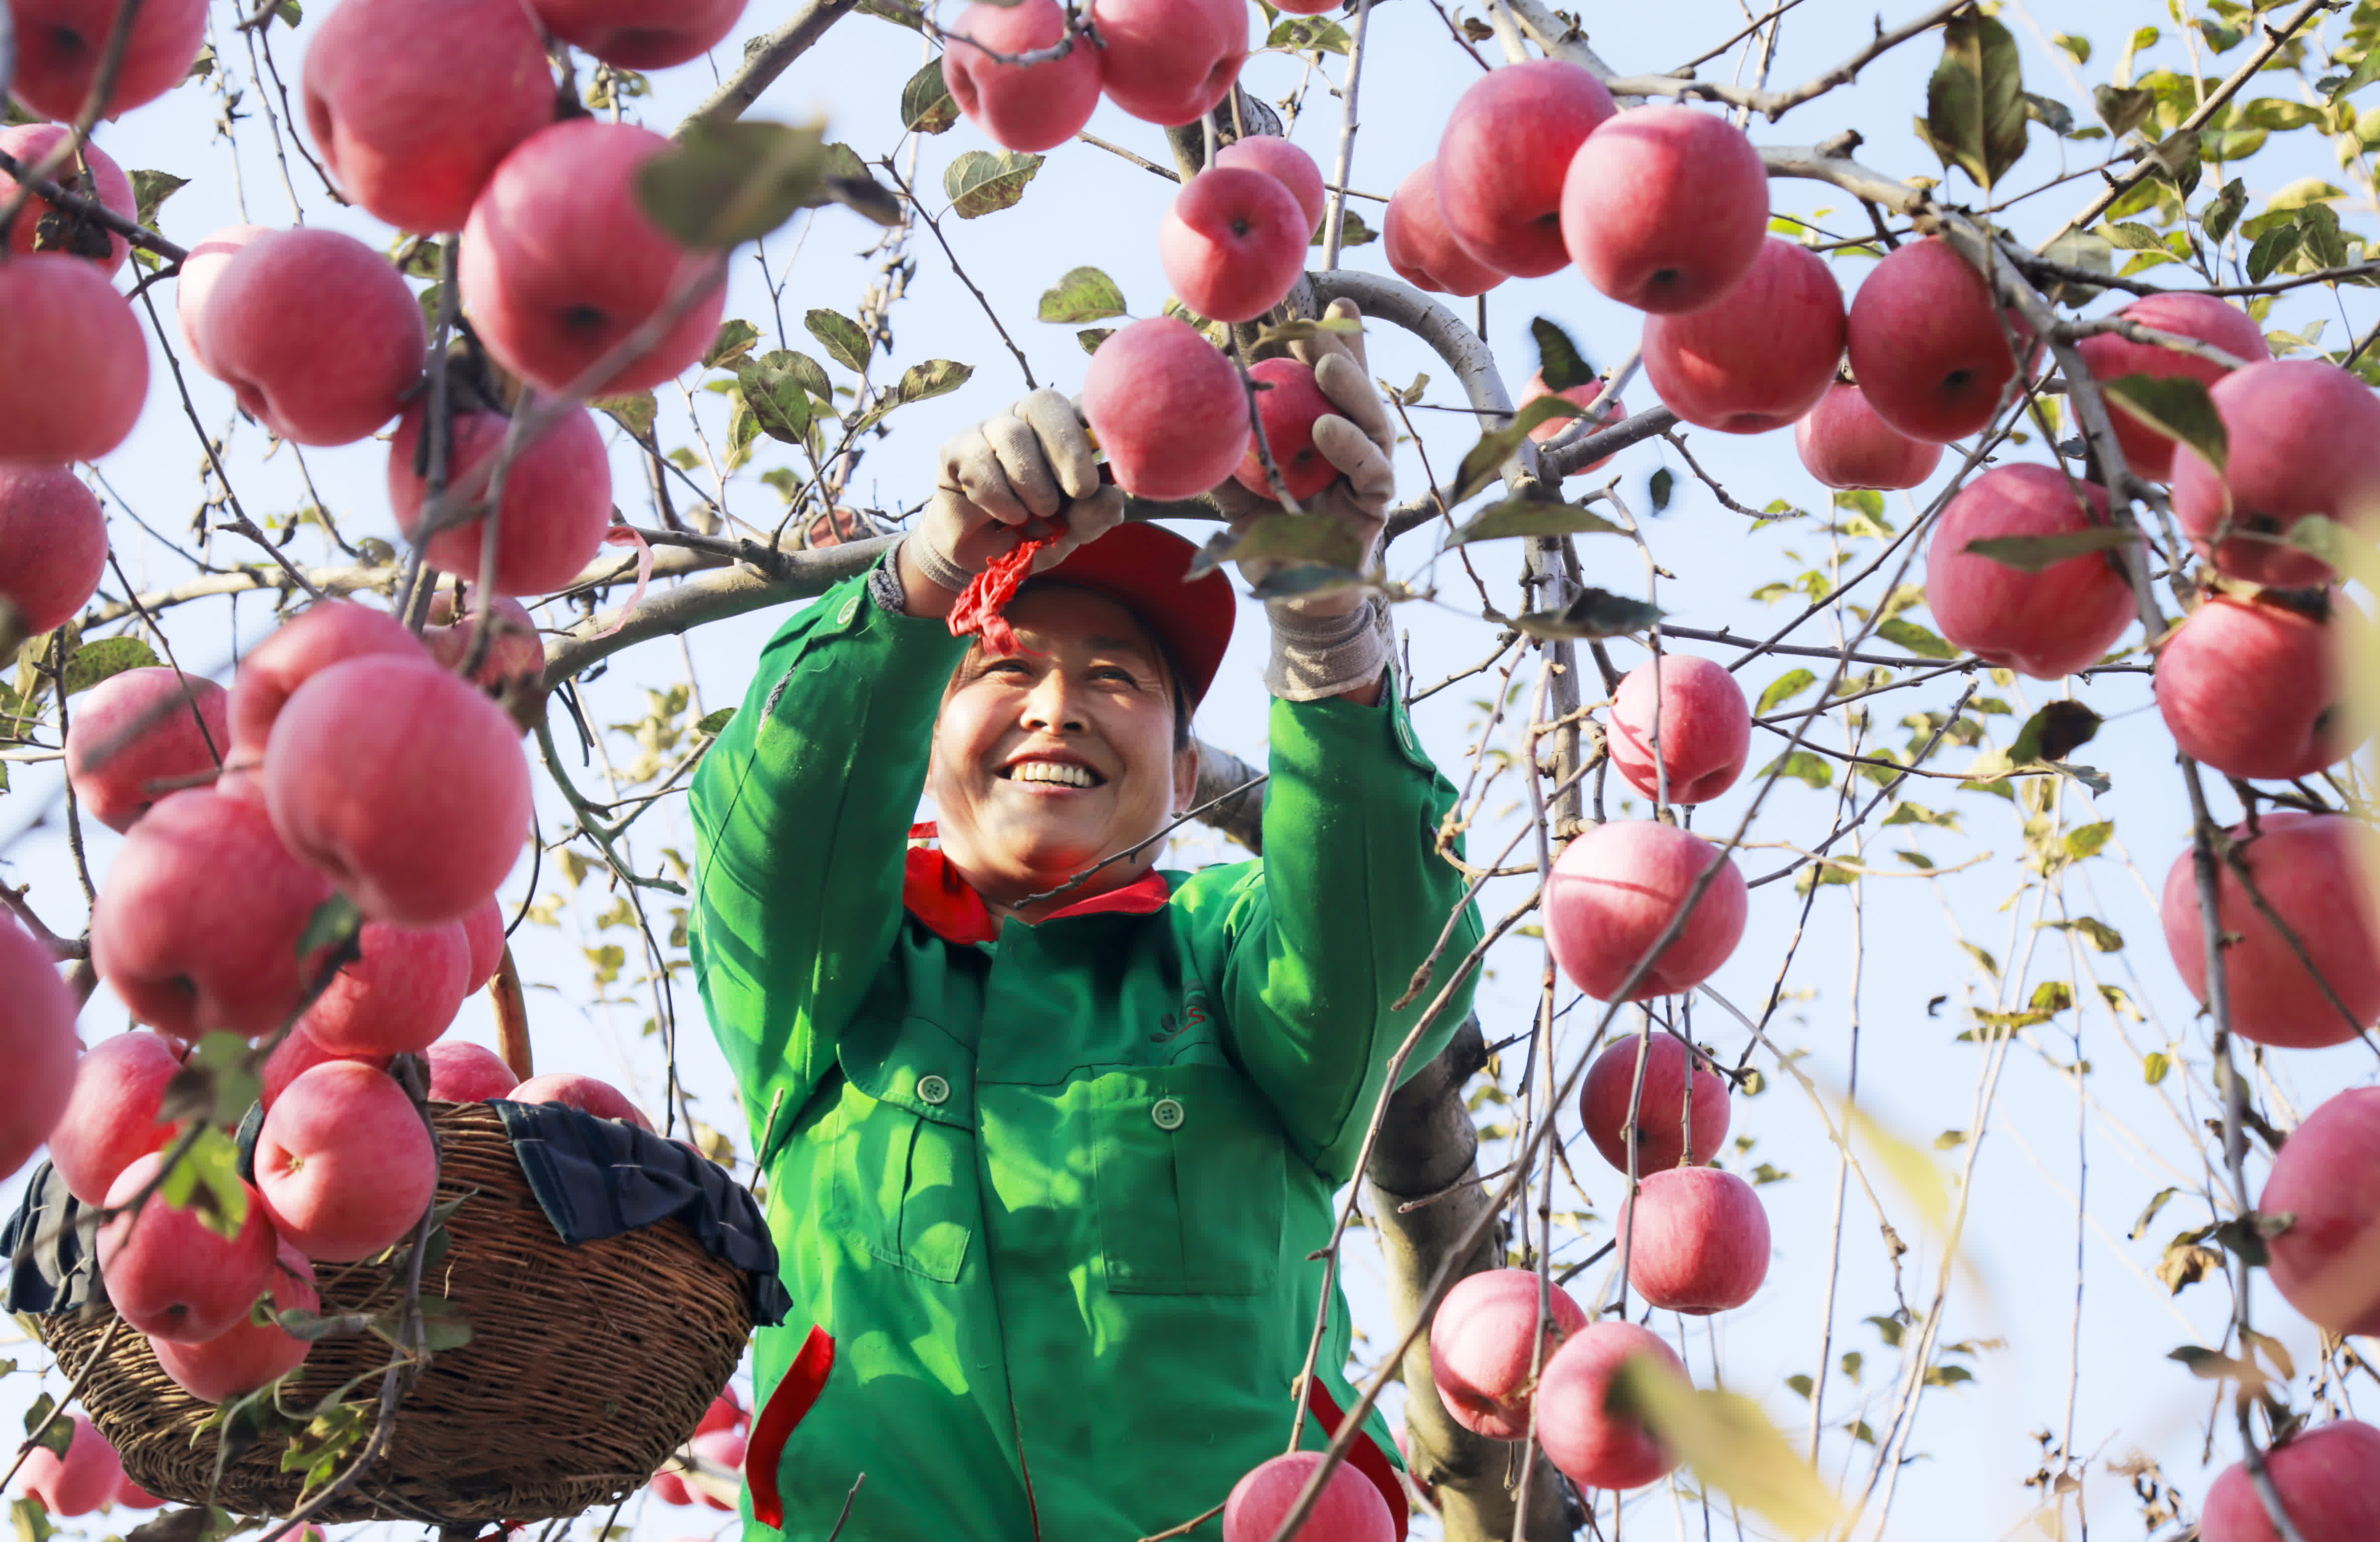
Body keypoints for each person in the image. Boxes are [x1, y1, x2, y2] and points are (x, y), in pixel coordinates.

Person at [688, 302, 1483, 1540]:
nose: (1058, 706)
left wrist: (1329, 629)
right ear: (923, 739)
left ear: (1180, 775)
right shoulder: (842, 979)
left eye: (1117, 678)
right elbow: (770, 819)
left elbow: (1386, 953)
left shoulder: (1220, 956)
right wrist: (926, 570)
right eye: (1005, 665)